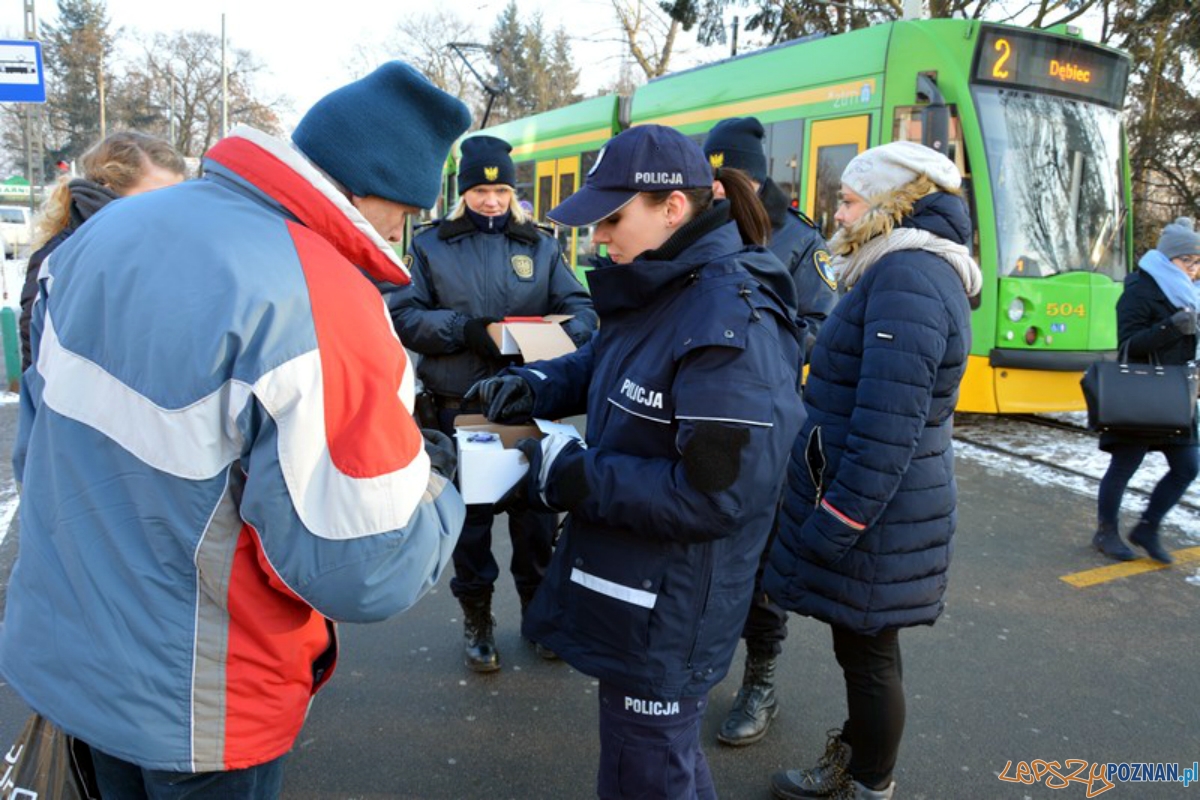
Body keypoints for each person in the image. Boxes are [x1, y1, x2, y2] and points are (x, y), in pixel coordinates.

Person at [0, 62, 471, 798]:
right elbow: (365, 569)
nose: (399, 232)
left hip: (71, 656)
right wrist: (440, 487)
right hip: (197, 698)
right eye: (405, 212)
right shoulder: (320, 300)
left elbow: (38, 447)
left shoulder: (106, 231)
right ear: (382, 192)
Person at [468, 124, 804, 799]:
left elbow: (716, 495)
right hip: (639, 586)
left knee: (644, 770)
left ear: (672, 209)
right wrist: (537, 385)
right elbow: (609, 359)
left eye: (612, 218)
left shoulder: (725, 318)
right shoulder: (664, 282)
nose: (597, 237)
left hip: (671, 605)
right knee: (661, 764)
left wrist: (573, 474)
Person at [763, 141, 982, 800]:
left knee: (869, 653)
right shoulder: (896, 267)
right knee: (862, 645)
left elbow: (888, 424)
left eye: (851, 200)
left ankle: (869, 784)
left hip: (874, 512)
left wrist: (837, 520)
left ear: (892, 205)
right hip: (884, 505)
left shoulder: (908, 276)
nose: (838, 211)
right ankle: (857, 761)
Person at [389, 134, 598, 672]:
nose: (492, 201)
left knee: (535, 527)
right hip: (459, 410)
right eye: (481, 190)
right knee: (472, 528)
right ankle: (478, 621)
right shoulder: (432, 245)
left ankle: (538, 615)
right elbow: (405, 315)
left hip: (528, 406)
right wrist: (467, 330)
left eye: (501, 189)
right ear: (465, 193)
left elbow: (581, 309)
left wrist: (559, 333)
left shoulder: (540, 245)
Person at [702, 116, 837, 747]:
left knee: (762, 563)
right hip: (699, 411)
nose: (723, 190)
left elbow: (822, 326)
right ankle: (696, 666)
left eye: (736, 179)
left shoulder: (801, 240)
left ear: (759, 178)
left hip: (772, 422)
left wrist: (756, 339)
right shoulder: (690, 216)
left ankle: (760, 680)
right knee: (697, 546)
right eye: (713, 179)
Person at [18, 131, 188, 371]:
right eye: (154, 197)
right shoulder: (61, 255)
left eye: (177, 199)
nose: (168, 210)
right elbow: (37, 356)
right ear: (107, 190)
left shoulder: (167, 247)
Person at [1091, 216, 1200, 564]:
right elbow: (1129, 344)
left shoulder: (1191, 295)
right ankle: (1106, 531)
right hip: (1143, 394)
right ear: (1169, 259)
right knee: (1125, 464)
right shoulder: (1140, 289)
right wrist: (1171, 326)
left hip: (1176, 395)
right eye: (1189, 261)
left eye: (1198, 262)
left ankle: (1148, 527)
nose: (1195, 269)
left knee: (1187, 466)